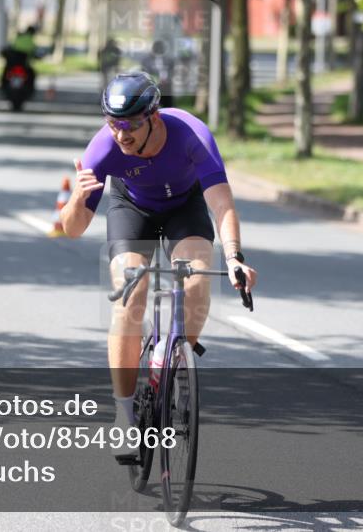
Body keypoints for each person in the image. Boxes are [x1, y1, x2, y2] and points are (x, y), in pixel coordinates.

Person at [59, 72, 258, 458]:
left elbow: (221, 202)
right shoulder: (104, 148)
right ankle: (124, 415)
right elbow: (73, 229)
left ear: (154, 117)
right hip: (132, 208)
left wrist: (234, 256)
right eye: (113, 123)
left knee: (198, 276)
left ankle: (179, 356)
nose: (122, 134)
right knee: (129, 297)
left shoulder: (191, 134)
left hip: (185, 206)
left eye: (131, 124)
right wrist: (76, 197)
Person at [141, 39, 175, 108]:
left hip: (166, 86)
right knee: (152, 105)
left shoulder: (169, 59)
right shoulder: (146, 60)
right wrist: (156, 80)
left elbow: (172, 71)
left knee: (168, 105)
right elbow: (145, 72)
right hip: (153, 85)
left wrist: (167, 79)